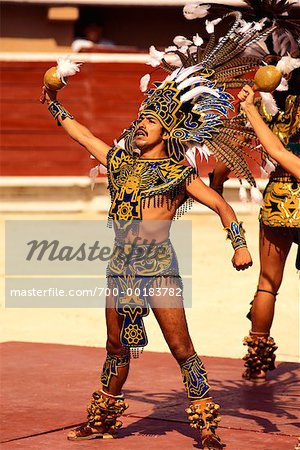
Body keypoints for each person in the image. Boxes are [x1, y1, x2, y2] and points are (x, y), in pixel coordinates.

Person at [40, 8, 281, 448]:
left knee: (181, 348)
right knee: (116, 346)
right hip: (120, 267)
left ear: (166, 130)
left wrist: (239, 245)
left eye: (148, 121)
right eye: (138, 121)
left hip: (159, 267)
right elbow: (82, 135)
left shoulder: (178, 173)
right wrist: (53, 101)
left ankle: (206, 426)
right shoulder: (119, 160)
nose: (138, 125)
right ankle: (103, 419)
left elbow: (223, 208)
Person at [237, 82, 299, 382]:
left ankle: (257, 360)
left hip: (279, 195)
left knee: (267, 283)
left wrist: (249, 107)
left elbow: (273, 149)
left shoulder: (269, 105)